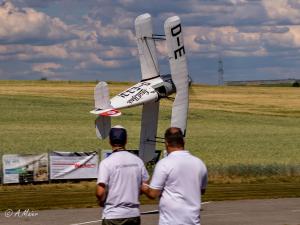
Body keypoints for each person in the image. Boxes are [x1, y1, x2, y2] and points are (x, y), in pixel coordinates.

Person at [142, 127, 208, 225]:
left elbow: (153, 194)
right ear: (183, 141)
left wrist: (142, 186)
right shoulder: (199, 163)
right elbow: (202, 190)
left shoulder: (164, 164)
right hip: (193, 221)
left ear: (166, 143)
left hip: (171, 221)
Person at [96, 125, 149, 225]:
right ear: (126, 141)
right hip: (133, 215)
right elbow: (144, 186)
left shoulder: (106, 163)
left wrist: (101, 201)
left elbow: (100, 192)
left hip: (112, 215)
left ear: (110, 141)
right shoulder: (138, 161)